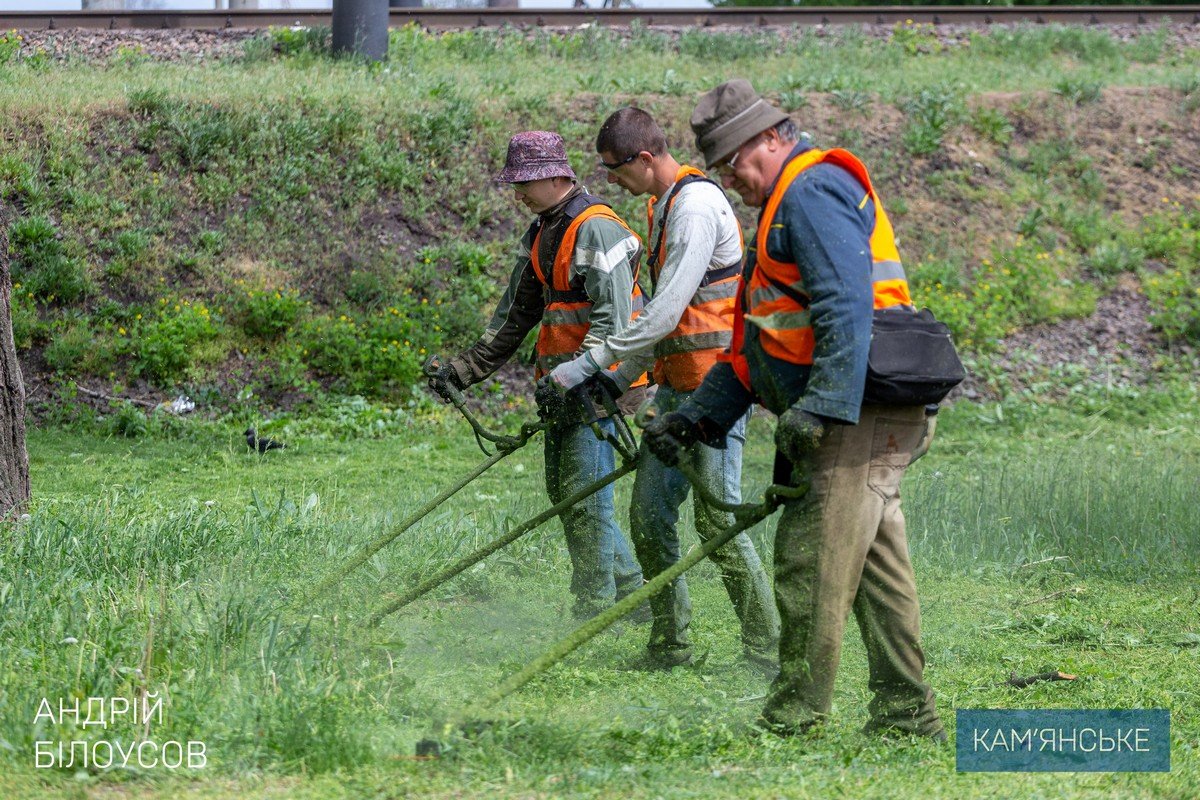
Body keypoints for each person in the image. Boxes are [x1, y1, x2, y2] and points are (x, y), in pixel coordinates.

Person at [644, 80, 945, 740]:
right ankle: (906, 715)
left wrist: (822, 406)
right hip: (867, 412)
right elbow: (759, 347)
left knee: (809, 564)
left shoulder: (809, 191)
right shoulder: (786, 203)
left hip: (855, 412)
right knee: (875, 571)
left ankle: (794, 718)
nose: (730, 180)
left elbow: (845, 307)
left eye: (734, 164)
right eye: (721, 169)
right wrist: (696, 418)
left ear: (770, 138)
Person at [543, 107, 778, 670]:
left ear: (645, 158)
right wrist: (616, 378)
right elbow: (667, 326)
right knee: (648, 518)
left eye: (615, 168)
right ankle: (670, 644)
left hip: (718, 391)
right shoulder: (663, 206)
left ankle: (766, 649)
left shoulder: (694, 207)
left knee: (717, 519)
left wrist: (587, 365)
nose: (610, 181)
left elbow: (664, 311)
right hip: (676, 391)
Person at [428, 131, 648, 621]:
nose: (518, 194)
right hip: (563, 387)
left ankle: (594, 609)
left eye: (524, 183)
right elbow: (515, 316)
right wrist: (463, 371)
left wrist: (576, 376)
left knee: (585, 499)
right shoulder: (543, 233)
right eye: (515, 184)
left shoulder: (597, 228)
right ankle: (635, 596)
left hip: (602, 384)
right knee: (568, 494)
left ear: (555, 177)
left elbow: (615, 324)